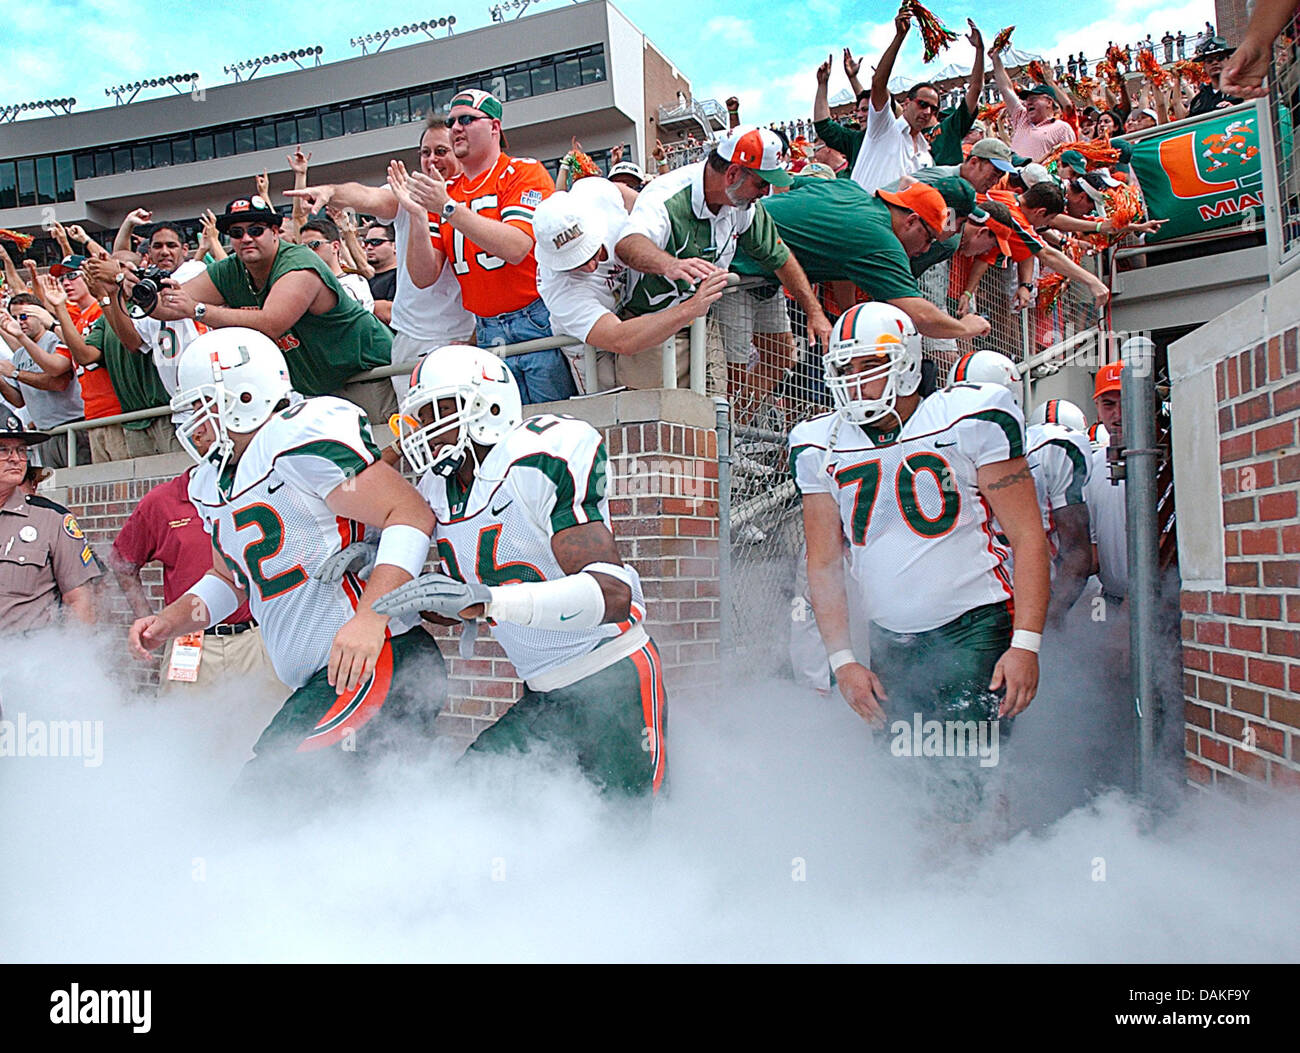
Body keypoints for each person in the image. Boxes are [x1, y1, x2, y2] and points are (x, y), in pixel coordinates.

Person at [127, 328, 445, 789]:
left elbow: (409, 512)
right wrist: (167, 623)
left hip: (378, 658)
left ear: (244, 395)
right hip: (333, 672)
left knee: (267, 794)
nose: (193, 421)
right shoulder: (215, 481)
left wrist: (369, 619)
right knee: (355, 814)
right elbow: (230, 578)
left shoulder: (296, 438)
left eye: (201, 405)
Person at [790, 302, 1050, 823]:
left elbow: (1027, 536)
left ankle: (991, 882)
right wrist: (843, 661)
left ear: (907, 361)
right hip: (892, 639)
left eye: (869, 364)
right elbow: (823, 566)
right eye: (845, 368)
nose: (854, 380)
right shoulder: (821, 443)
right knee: (905, 781)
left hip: (974, 627)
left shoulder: (968, 416)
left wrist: (1025, 643)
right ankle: (929, 890)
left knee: (974, 777)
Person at [373, 344, 667, 798]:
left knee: (628, 838)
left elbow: (612, 597)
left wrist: (486, 600)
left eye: (438, 412)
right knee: (463, 805)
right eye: (421, 417)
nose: (427, 431)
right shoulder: (439, 487)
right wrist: (385, 576)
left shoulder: (536, 458)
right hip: (543, 694)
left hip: (611, 680)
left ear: (487, 406)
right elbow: (470, 602)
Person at [615, 125, 832, 391]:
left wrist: (814, 312)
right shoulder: (666, 196)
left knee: (716, 410)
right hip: (651, 326)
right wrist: (669, 264)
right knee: (659, 422)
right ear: (732, 174)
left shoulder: (744, 205)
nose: (766, 192)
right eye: (762, 183)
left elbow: (780, 257)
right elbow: (627, 245)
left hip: (701, 323)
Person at [150, 196, 397, 428]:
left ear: (275, 232)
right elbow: (167, 307)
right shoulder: (230, 270)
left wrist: (199, 310)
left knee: (384, 461)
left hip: (366, 374)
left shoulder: (299, 264)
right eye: (236, 233)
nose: (246, 238)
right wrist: (131, 289)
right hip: (318, 386)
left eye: (256, 230)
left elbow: (272, 323)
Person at [397, 90, 572, 405]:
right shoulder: (445, 191)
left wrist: (449, 207)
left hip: (536, 318)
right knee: (504, 434)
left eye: (466, 119)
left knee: (552, 423)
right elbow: (423, 276)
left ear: (494, 127)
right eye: (452, 122)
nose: (456, 129)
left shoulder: (523, 172)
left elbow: (517, 246)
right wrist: (418, 215)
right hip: (487, 328)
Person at [110, 460, 290, 767]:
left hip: (255, 636)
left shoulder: (256, 489)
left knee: (269, 734)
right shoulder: (162, 501)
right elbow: (123, 561)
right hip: (188, 642)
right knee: (183, 738)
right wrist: (151, 620)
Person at [286, 120, 476, 401]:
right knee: (415, 428)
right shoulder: (407, 194)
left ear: (458, 152)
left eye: (441, 151)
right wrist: (331, 192)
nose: (432, 159)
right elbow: (367, 195)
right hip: (412, 337)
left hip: (464, 334)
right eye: (425, 153)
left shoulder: (476, 196)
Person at [730, 176, 992, 342]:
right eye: (929, 239)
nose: (926, 250)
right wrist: (964, 327)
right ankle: (725, 427)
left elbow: (788, 183)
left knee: (780, 359)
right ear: (912, 221)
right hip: (733, 265)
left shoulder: (850, 188)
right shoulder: (882, 241)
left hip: (764, 272)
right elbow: (921, 316)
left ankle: (738, 422)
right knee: (731, 370)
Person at [532, 177, 727, 392]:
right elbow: (620, 339)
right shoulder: (560, 292)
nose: (590, 267)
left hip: (628, 309)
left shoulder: (596, 194)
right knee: (613, 409)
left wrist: (662, 252)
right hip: (592, 344)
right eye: (575, 264)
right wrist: (691, 308)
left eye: (592, 252)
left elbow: (646, 206)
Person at [949, 353, 1094, 628]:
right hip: (969, 612)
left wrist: (1048, 618)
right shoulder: (937, 455)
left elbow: (1076, 550)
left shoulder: (1050, 450)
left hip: (1030, 596)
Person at [0, 412, 100, 633]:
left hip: (29, 661)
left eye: (21, 450)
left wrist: (74, 658)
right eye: (3, 450)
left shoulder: (51, 519)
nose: (15, 458)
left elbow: (79, 601)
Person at [822, 9, 940, 192]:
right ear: (907, 103)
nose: (927, 112)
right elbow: (878, 83)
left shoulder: (926, 155)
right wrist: (899, 37)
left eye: (934, 109)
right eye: (922, 104)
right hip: (864, 216)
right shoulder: (884, 127)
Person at [0, 295, 89, 469]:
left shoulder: (55, 340)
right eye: (15, 318)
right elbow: (19, 401)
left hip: (73, 426)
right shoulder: (19, 354)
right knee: (56, 486)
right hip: (45, 432)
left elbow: (58, 383)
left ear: (40, 315)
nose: (20, 322)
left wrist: (16, 373)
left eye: (24, 316)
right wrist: (2, 380)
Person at [1083, 360, 1127, 604]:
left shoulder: (1166, 461)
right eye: (1109, 404)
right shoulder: (1092, 465)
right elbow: (1094, 554)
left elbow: (1166, 553)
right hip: (1112, 600)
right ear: (1097, 407)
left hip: (1163, 602)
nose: (1117, 415)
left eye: (1126, 402)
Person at [990, 52, 1075, 161]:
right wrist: (996, 58)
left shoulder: (1062, 128)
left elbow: (1068, 162)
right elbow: (1006, 89)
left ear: (1049, 102)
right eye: (1027, 100)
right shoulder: (1022, 118)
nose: (1027, 103)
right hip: (1012, 176)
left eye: (1033, 99)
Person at [300, 217, 375, 313]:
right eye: (303, 247)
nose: (308, 251)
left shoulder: (352, 284)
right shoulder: (304, 286)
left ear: (335, 246)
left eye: (314, 244)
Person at [1187, 37, 1245, 114]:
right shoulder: (1199, 99)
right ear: (1204, 67)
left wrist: (1236, 109)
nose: (1214, 63)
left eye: (1220, 58)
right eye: (1209, 60)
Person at [364, 222, 398, 325]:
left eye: (376, 242)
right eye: (366, 243)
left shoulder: (401, 277)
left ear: (395, 246)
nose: (369, 247)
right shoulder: (365, 279)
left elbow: (391, 312)